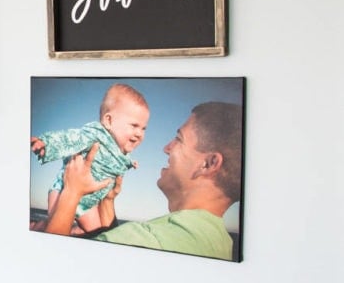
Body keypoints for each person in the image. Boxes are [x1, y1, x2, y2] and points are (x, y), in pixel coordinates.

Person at [44, 102, 243, 261]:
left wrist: (72, 192)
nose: (167, 147)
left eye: (178, 139)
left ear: (208, 164)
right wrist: (108, 200)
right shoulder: (221, 243)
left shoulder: (148, 240)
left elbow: (49, 265)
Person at [30, 84, 150, 234]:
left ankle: (75, 230)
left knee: (98, 233)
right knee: (54, 229)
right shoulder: (95, 134)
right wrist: (47, 143)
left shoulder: (123, 153)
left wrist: (130, 164)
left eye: (143, 128)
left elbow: (119, 163)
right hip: (64, 190)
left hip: (89, 205)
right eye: (134, 125)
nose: (139, 133)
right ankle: (38, 226)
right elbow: (70, 139)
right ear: (109, 121)